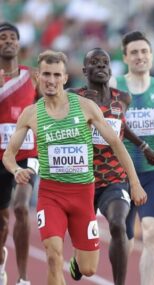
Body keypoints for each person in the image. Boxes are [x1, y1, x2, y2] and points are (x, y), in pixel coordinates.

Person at [2, 50, 147, 285]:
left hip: (82, 194)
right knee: (53, 255)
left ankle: (78, 263)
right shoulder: (31, 114)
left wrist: (135, 183)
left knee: (88, 269)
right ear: (38, 76)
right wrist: (16, 170)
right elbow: (9, 155)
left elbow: (116, 143)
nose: (51, 80)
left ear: (65, 78)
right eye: (46, 74)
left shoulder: (86, 107)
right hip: (51, 195)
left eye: (56, 75)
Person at [68, 47, 154, 285]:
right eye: (94, 63)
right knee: (86, 264)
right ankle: (78, 257)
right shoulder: (73, 96)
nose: (100, 67)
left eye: (104, 63)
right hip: (82, 179)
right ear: (85, 70)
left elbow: (120, 128)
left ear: (110, 69)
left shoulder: (122, 98)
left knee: (118, 224)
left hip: (114, 178)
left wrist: (144, 148)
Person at [109, 31, 154, 285]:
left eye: (144, 52)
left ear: (151, 55)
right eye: (134, 52)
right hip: (119, 175)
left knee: (151, 233)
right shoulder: (114, 86)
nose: (140, 57)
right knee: (123, 237)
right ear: (126, 57)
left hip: (150, 173)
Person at [0, 22, 39, 285]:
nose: (9, 41)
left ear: (19, 43)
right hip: (1, 155)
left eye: (13, 37)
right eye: (3, 38)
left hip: (27, 153)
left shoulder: (33, 76)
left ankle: (23, 278)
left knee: (22, 208)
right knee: (2, 221)